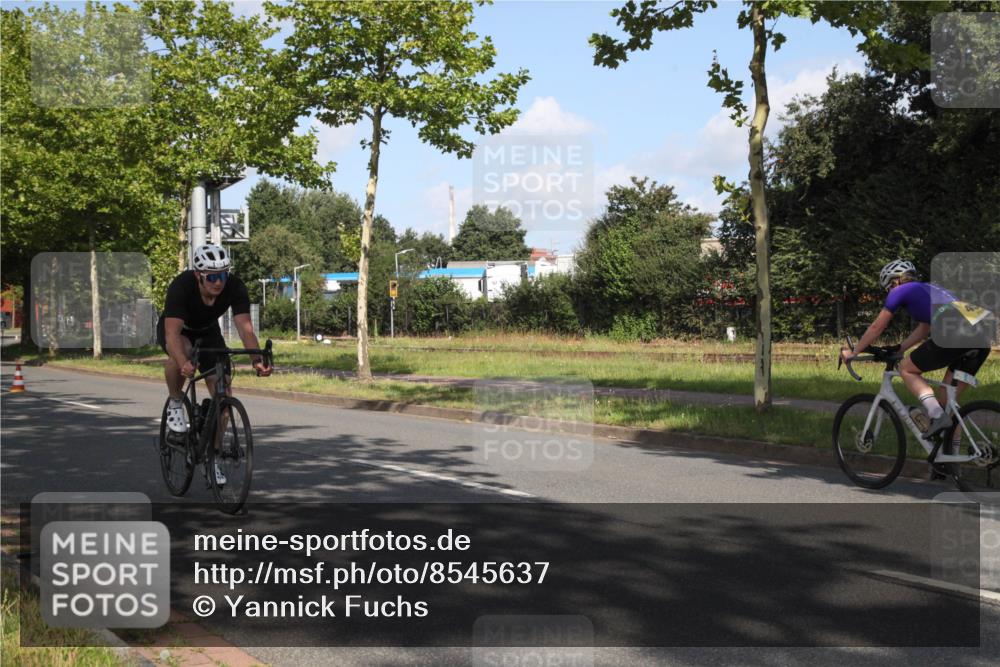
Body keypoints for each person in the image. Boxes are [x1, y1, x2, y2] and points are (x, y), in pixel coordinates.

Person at [157, 243, 272, 484]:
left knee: (224, 397)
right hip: (179, 331)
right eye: (212, 277)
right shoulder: (181, 286)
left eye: (223, 275)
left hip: (208, 332)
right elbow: (171, 335)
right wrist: (183, 363)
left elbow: (245, 328)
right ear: (198, 275)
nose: (218, 282)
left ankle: (212, 457)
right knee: (181, 353)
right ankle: (175, 402)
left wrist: (256, 360)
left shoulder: (234, 286)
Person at [840, 259, 991, 441]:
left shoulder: (900, 290)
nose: (890, 291)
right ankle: (951, 456)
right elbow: (924, 328)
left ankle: (936, 416)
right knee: (947, 403)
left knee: (906, 369)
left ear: (894, 281)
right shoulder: (929, 288)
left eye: (888, 287)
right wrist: (901, 348)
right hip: (981, 334)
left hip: (956, 332)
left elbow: (876, 327)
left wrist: (854, 352)